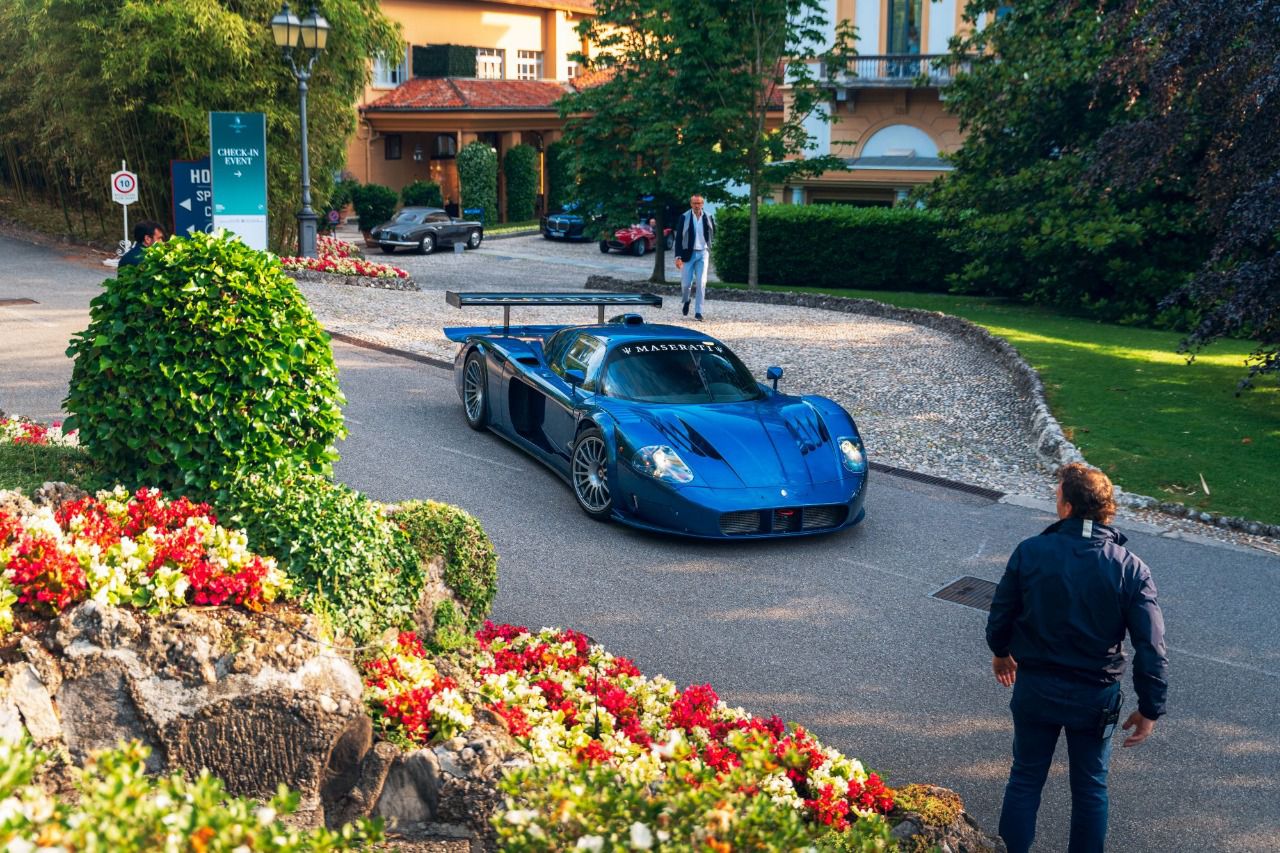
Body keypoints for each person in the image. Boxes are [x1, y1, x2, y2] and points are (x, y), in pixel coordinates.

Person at [987, 463, 1168, 853]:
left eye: (1057, 499)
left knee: (1025, 778)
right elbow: (1151, 646)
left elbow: (1001, 611)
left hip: (1036, 688)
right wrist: (1150, 707)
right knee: (1090, 787)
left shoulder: (1031, 551)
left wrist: (1001, 653)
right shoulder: (1131, 568)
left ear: (1067, 508)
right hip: (1095, 696)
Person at [673, 194, 714, 321]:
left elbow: (713, 233)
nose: (697, 205)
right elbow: (679, 237)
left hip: (703, 253)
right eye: (694, 203)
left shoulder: (708, 217)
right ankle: (686, 300)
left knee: (702, 283)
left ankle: (698, 312)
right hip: (687, 255)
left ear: (703, 204)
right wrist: (678, 257)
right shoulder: (684, 217)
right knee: (686, 285)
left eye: (699, 203)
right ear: (691, 204)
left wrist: (709, 246)